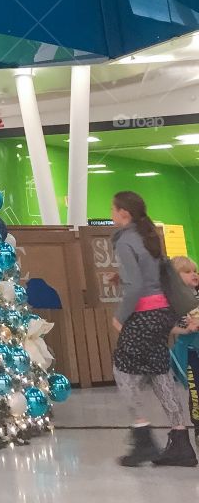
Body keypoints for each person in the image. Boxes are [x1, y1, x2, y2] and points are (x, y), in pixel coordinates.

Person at [111, 190, 197, 466]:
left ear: (124, 212)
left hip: (143, 314)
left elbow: (137, 285)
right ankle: (181, 440)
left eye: (114, 210)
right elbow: (155, 274)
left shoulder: (125, 241)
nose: (112, 215)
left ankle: (142, 436)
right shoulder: (150, 236)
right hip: (162, 313)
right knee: (159, 371)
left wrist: (120, 316)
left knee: (122, 369)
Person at [170, 256, 199, 440]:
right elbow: (166, 325)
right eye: (187, 272)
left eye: (194, 270)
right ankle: (198, 427)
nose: (194, 274)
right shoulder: (173, 301)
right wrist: (186, 328)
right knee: (196, 390)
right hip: (189, 352)